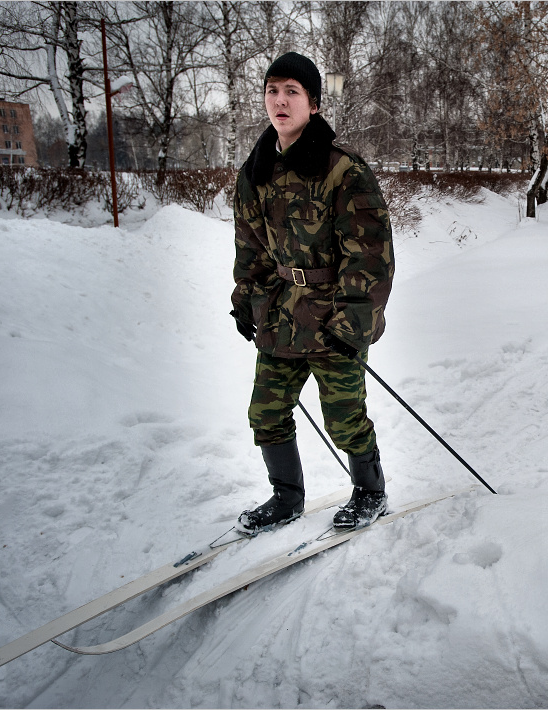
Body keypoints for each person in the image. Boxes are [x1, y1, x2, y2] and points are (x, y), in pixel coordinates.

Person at [230, 52, 395, 532]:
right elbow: (252, 249)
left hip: (332, 319)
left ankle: (370, 491)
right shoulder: (255, 171)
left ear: (314, 104)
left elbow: (371, 257)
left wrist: (353, 324)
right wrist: (246, 300)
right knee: (266, 411)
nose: (279, 101)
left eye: (292, 92)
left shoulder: (343, 171)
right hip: (281, 316)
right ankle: (286, 497)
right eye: (272, 90)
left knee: (344, 418)